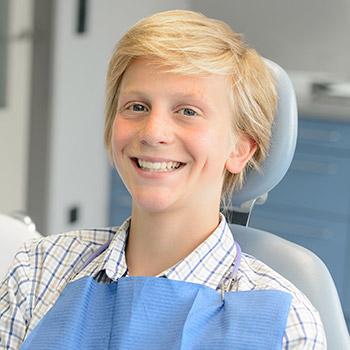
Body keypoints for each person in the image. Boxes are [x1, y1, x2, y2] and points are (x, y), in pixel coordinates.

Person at [0, 10, 326, 349]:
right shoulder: (38, 271)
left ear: (240, 149)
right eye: (137, 107)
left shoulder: (286, 324)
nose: (153, 132)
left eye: (188, 111)